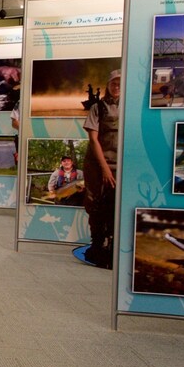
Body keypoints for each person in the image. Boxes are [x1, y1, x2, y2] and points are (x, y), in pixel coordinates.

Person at [82, 69, 121, 268]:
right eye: (114, 83)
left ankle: (113, 246)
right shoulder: (98, 107)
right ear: (108, 84)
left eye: (121, 84)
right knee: (95, 204)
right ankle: (97, 245)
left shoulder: (129, 107)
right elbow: (93, 140)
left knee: (115, 206)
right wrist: (105, 169)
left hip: (119, 166)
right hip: (97, 165)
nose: (117, 87)